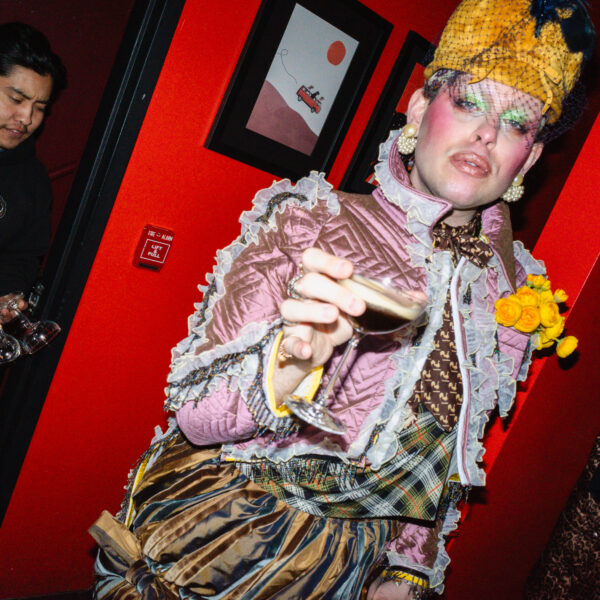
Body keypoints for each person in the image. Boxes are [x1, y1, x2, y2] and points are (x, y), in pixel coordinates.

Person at [90, 0, 595, 598]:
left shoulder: (510, 292)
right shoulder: (309, 221)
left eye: (515, 124)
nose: (486, 133)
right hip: (228, 532)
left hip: (350, 567)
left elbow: (445, 457)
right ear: (418, 110)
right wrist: (290, 365)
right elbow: (198, 419)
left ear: (529, 158)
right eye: (467, 103)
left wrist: (407, 566)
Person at [0, 22, 66, 320]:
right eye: (16, 99)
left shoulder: (33, 180)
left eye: (39, 107)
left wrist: (7, 298)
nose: (27, 118)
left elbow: (22, 259)